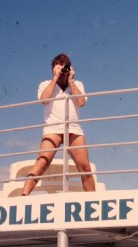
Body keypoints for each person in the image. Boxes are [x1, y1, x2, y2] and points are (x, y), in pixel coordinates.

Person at [21, 54, 96, 196]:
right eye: (59, 66)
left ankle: (94, 201)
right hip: (53, 129)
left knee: (85, 167)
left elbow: (81, 102)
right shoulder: (45, 84)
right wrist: (55, 78)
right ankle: (23, 196)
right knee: (42, 162)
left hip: (74, 129)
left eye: (65, 66)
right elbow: (44, 99)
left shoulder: (77, 84)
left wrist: (71, 81)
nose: (63, 70)